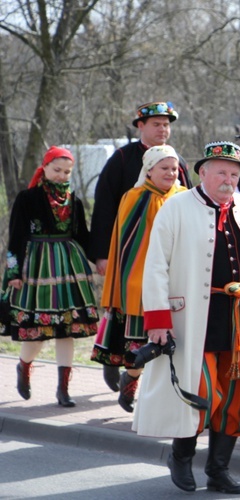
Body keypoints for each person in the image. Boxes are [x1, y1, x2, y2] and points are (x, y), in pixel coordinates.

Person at [132, 141, 240, 494]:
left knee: (236, 396)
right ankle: (181, 455)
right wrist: (158, 319)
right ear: (202, 172)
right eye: (221, 171)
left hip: (239, 322)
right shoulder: (176, 208)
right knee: (198, 391)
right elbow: (156, 265)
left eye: (235, 173)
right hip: (192, 320)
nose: (228, 179)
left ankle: (218, 469)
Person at [89, 101, 193, 392]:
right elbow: (106, 208)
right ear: (141, 126)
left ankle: (138, 377)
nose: (163, 129)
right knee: (129, 310)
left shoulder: (178, 163)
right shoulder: (122, 159)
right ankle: (119, 362)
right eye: (157, 124)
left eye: (166, 124)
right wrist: (102, 254)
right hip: (131, 255)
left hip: (170, 261)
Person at [1, 146, 99, 407]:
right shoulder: (27, 198)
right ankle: (24, 366)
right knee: (39, 330)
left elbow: (82, 236)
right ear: (44, 168)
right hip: (37, 267)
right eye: (57, 170)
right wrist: (13, 272)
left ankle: (63, 390)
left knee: (66, 329)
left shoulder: (74, 200)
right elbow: (17, 235)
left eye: (67, 172)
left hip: (68, 268)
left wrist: (100, 260)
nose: (62, 175)